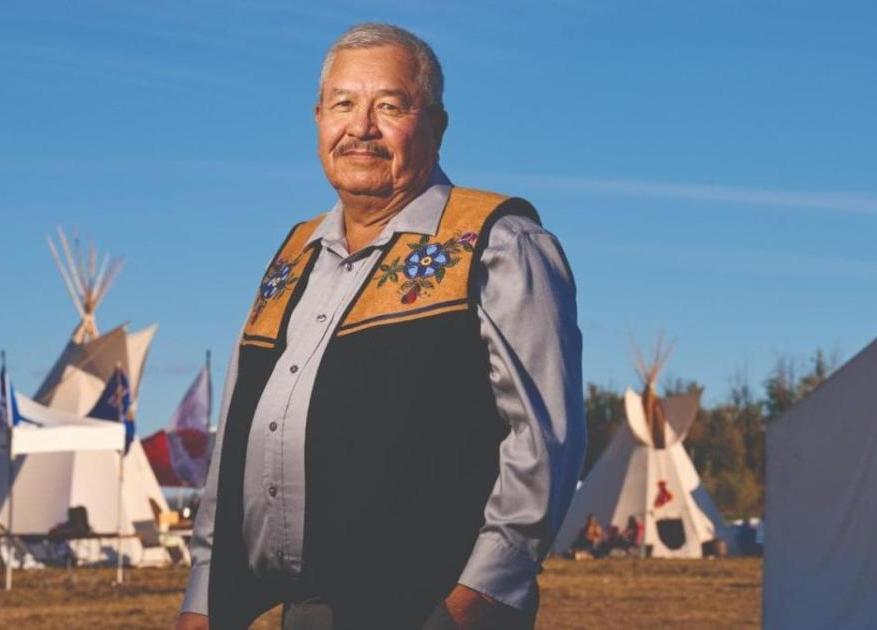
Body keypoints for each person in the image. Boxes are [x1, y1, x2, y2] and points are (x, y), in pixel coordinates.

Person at [175, 22, 585, 630]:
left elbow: (543, 442)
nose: (360, 126)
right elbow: (236, 441)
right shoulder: (293, 255)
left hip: (431, 613)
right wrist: (203, 600)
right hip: (303, 612)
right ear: (318, 119)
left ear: (436, 125)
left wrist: (482, 600)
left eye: (389, 106)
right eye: (343, 104)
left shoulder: (497, 243)